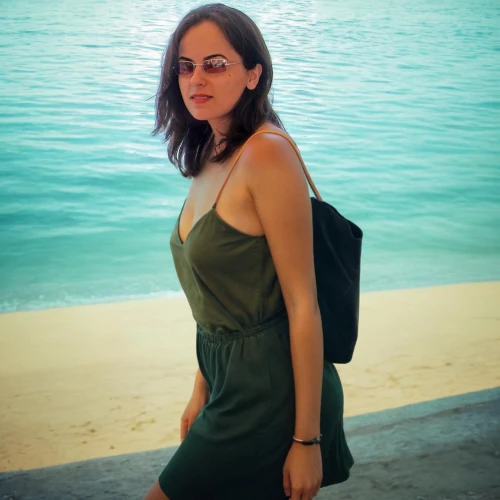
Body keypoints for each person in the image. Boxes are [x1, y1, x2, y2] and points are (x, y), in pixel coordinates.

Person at [145, 3, 354, 499]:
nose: (197, 78)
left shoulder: (267, 154)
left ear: (254, 73)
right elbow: (215, 297)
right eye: (185, 65)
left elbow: (303, 304)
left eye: (215, 64)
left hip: (271, 389)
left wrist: (307, 440)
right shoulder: (209, 154)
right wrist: (201, 389)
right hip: (226, 383)